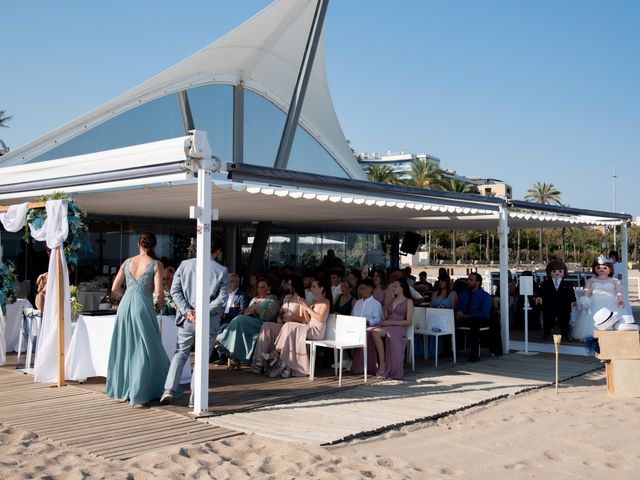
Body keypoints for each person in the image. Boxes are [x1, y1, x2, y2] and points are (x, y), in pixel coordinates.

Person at [160, 235, 228, 406]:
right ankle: (194, 399)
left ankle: (168, 389)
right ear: (218, 251)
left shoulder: (184, 265)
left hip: (187, 319)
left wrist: (187, 311)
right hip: (208, 320)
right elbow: (222, 299)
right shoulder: (221, 270)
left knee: (180, 353)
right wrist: (203, 311)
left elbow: (175, 291)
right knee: (201, 358)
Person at [106, 232, 170, 405]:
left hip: (125, 305)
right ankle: (143, 389)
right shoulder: (156, 264)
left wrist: (128, 295)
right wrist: (158, 305)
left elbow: (114, 288)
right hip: (142, 306)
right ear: (154, 246)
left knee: (125, 346)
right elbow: (158, 293)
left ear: (138, 245)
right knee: (147, 347)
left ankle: (124, 388)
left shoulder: (127, 262)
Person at [269, 278, 332, 377]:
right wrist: (304, 307)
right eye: (311, 286)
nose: (311, 289)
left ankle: (278, 352)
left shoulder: (325, 302)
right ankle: (287, 365)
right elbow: (307, 319)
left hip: (316, 331)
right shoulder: (315, 301)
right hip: (309, 327)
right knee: (289, 326)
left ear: (322, 288)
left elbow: (321, 318)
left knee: (290, 327)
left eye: (314, 286)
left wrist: (306, 308)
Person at [217, 280, 280, 368]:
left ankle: (222, 340)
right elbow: (246, 312)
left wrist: (257, 309)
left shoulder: (272, 299)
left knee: (239, 319)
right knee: (239, 324)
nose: (260, 289)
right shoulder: (254, 299)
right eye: (259, 287)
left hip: (262, 324)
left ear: (269, 288)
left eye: (263, 287)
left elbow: (270, 316)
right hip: (249, 322)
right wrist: (249, 311)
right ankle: (234, 357)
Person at [250, 275, 306, 374]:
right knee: (266, 325)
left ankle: (273, 355)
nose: (288, 286)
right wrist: (279, 317)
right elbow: (280, 313)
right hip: (283, 325)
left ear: (295, 285)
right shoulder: (287, 298)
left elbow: (304, 320)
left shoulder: (301, 300)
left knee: (285, 326)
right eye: (288, 284)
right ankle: (259, 361)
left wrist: (292, 317)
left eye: (290, 284)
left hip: (293, 327)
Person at [571, 256, 624, 341]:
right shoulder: (591, 280)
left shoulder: (615, 281)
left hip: (611, 302)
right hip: (594, 302)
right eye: (598, 267)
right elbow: (586, 291)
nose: (601, 269)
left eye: (605, 267)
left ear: (610, 268)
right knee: (593, 319)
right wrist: (585, 299)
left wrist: (620, 299)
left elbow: (619, 291)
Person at [371, 278, 414, 379]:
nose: (393, 288)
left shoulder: (409, 301)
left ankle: (384, 366)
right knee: (372, 331)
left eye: (396, 286)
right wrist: (383, 320)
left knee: (376, 332)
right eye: (393, 286)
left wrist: (390, 322)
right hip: (387, 326)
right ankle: (377, 364)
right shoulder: (392, 300)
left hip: (398, 328)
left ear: (402, 288)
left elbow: (408, 321)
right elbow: (385, 315)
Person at [213, 273, 250, 365]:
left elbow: (242, 312)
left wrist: (225, 315)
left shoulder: (242, 295)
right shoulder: (223, 295)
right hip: (221, 320)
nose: (229, 284)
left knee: (220, 329)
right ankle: (212, 354)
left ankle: (222, 356)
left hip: (233, 321)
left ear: (237, 283)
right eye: (227, 282)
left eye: (232, 281)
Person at [350, 278, 384, 376]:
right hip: (356, 327)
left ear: (370, 289)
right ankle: (348, 360)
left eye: (363, 289)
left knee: (366, 333)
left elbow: (377, 319)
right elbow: (353, 315)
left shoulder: (376, 304)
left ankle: (364, 365)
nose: (361, 291)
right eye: (360, 289)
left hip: (368, 327)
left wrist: (368, 321)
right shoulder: (358, 302)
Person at [536, 260, 577, 340]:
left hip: (564, 306)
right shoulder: (545, 283)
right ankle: (546, 333)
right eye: (554, 271)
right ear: (549, 272)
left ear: (564, 272)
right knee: (548, 320)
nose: (557, 273)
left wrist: (573, 301)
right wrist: (539, 297)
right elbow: (541, 292)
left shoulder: (568, 284)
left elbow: (571, 294)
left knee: (564, 321)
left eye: (560, 271)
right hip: (549, 305)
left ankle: (565, 334)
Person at [455, 273, 492, 362]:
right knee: (449, 321)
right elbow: (458, 306)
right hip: (464, 317)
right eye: (468, 279)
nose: (468, 282)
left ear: (478, 283)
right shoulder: (463, 294)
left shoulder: (485, 296)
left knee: (475, 322)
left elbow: (484, 313)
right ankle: (449, 350)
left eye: (471, 280)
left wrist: (468, 316)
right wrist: (458, 313)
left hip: (478, 319)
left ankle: (474, 354)